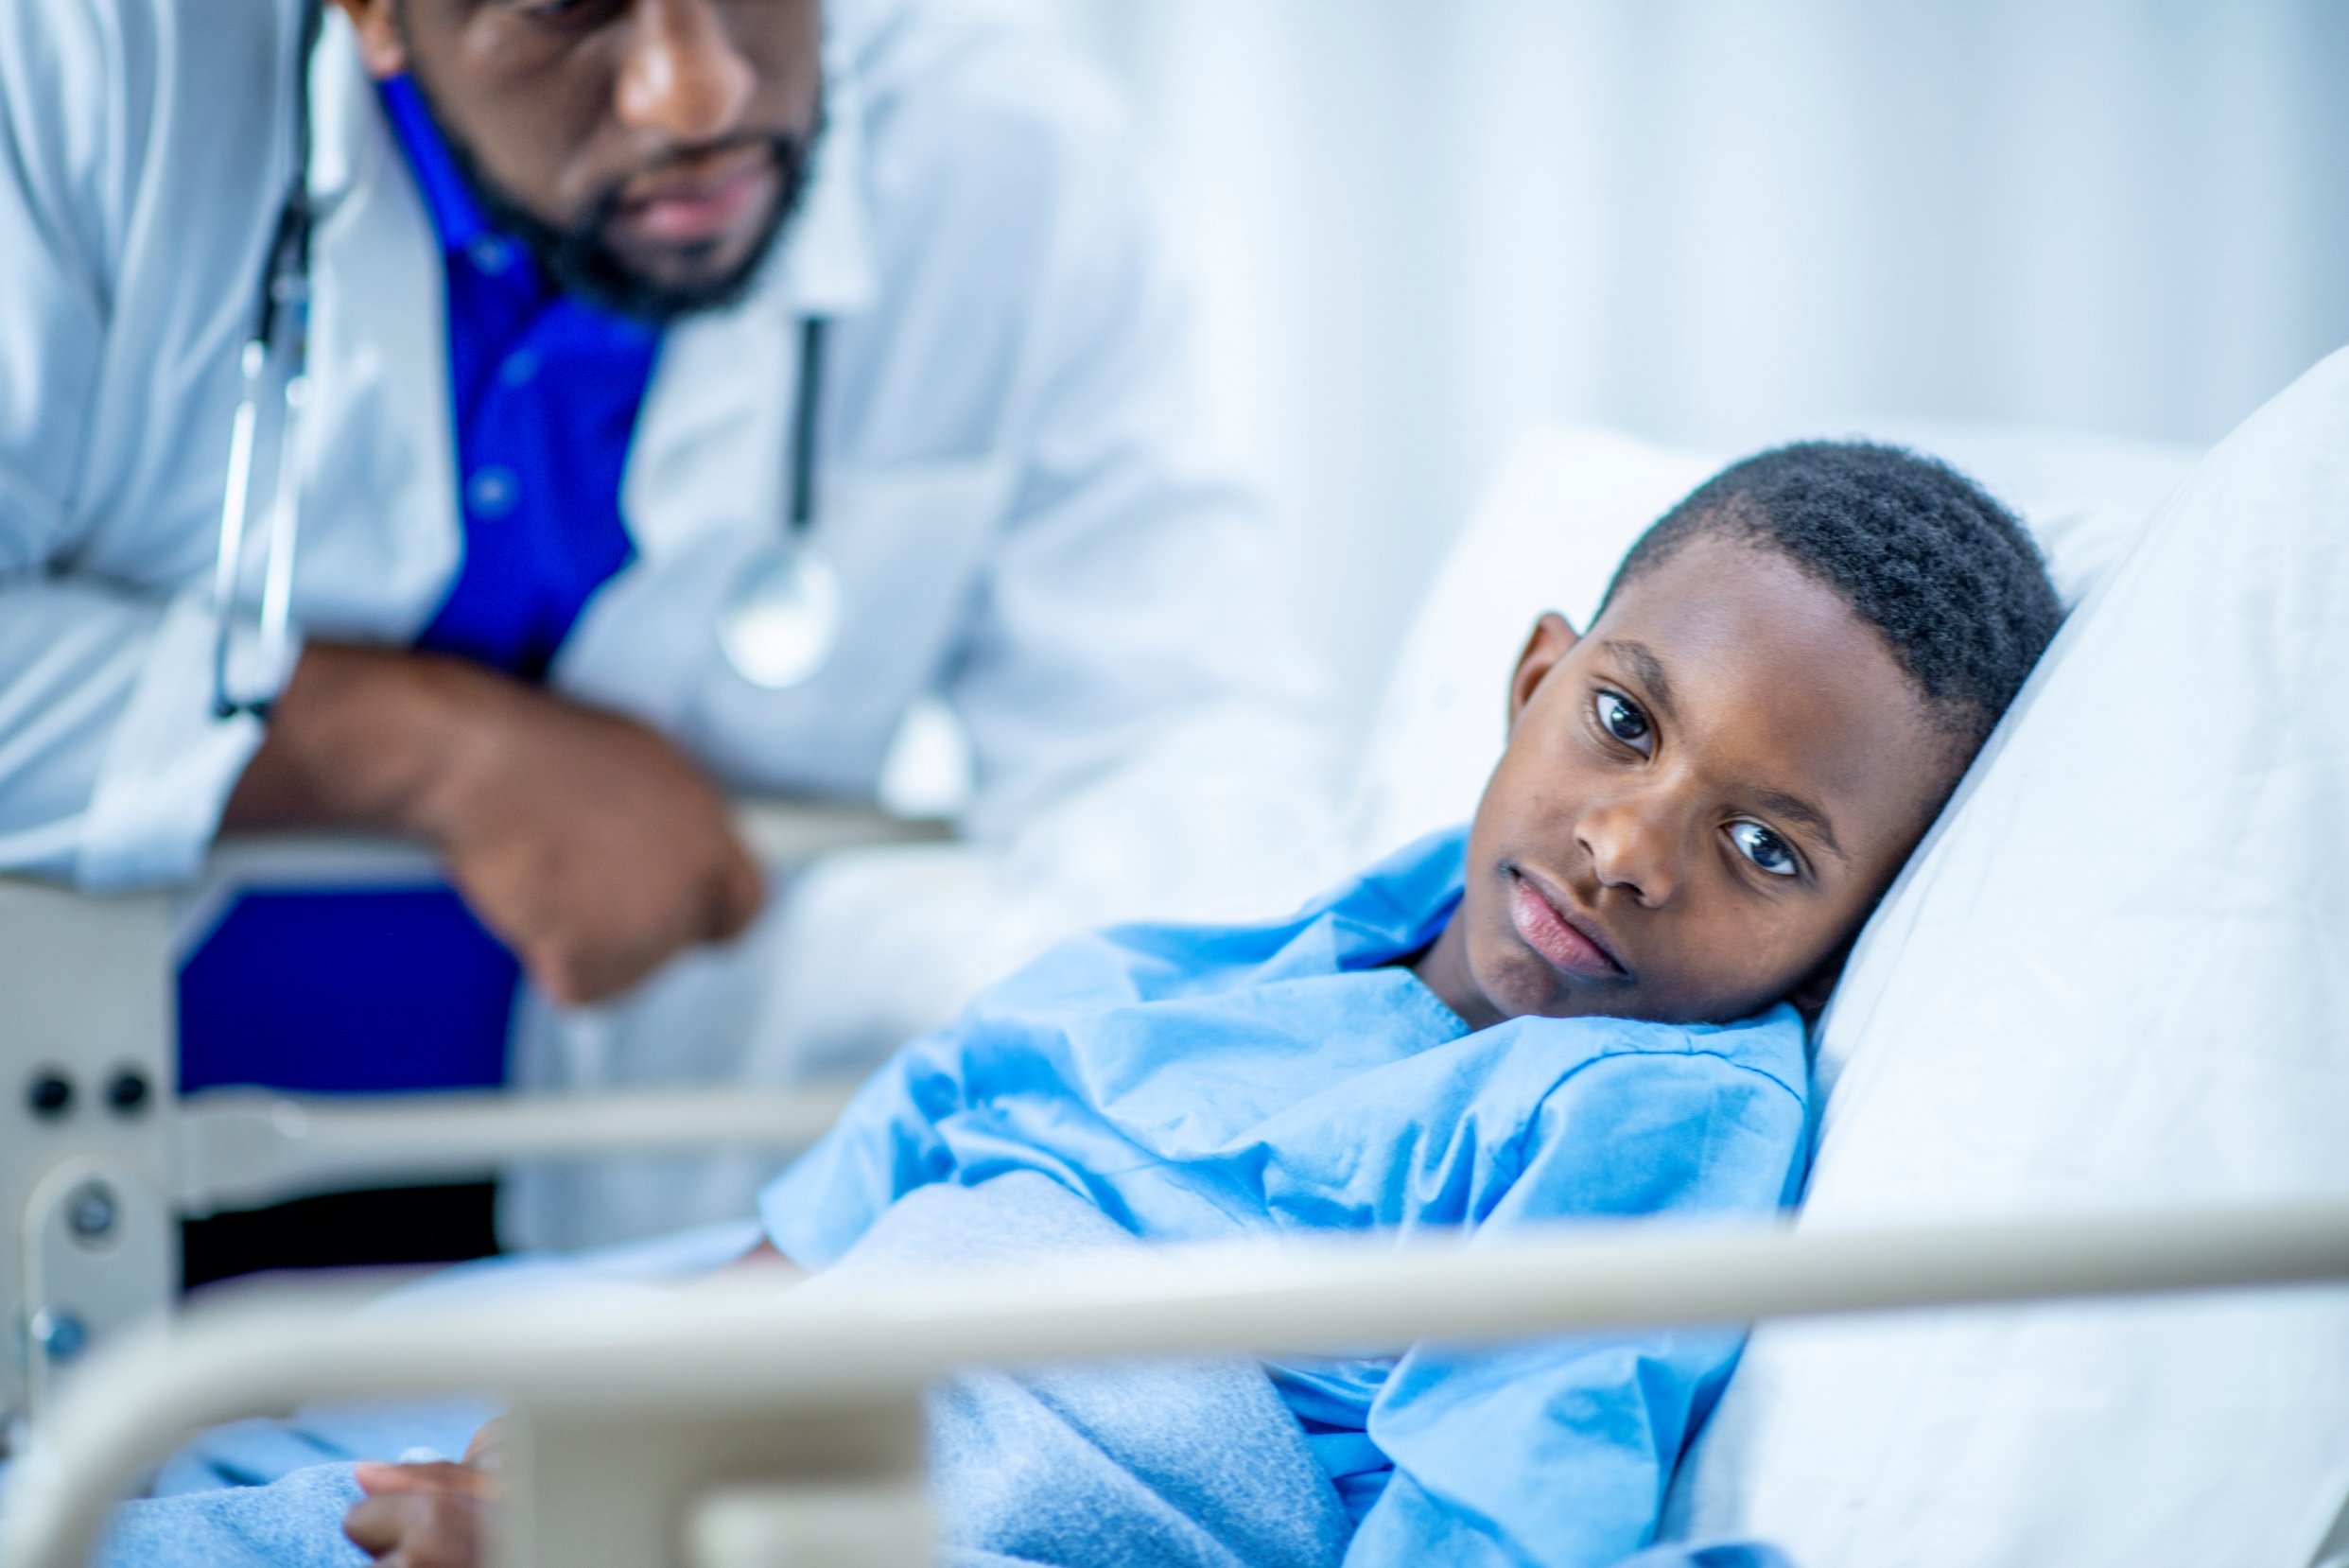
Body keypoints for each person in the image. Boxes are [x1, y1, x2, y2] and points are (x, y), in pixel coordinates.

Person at [96, 442, 2063, 1568]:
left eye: (1771, 853)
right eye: (1625, 724)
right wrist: (568, 1456)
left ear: (1858, 925)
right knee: (177, 1504)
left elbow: (1491, 1518)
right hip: (746, 1442)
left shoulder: (1638, 1109)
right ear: (1536, 676)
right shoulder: (1182, 982)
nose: (1637, 847)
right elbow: (807, 1264)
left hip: (997, 1504)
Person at [0, 0, 1336, 1252]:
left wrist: (1236, 1158)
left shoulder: (1000, 147)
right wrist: (426, 752)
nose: (696, 90)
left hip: (635, 1220)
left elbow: (1173, 732)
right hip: (76, 1176)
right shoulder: (87, 72)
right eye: (569, 7)